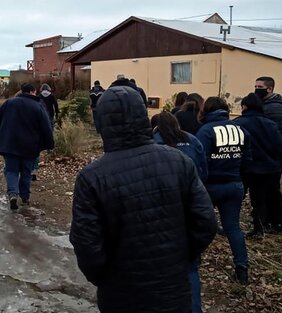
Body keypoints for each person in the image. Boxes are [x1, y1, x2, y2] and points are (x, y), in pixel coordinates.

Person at [70, 80, 217, 313]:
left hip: (121, 295)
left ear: (103, 123)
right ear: (142, 115)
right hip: (174, 289)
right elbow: (206, 222)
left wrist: (106, 278)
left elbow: (87, 246)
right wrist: (180, 259)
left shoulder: (92, 177)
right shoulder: (179, 161)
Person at [152, 111, 208, 313]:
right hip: (191, 207)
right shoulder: (192, 140)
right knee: (191, 267)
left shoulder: (153, 145)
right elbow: (203, 170)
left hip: (164, 210)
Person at [196, 96, 250, 285]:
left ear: (206, 111)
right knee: (233, 228)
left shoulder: (206, 131)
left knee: (199, 224)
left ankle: (194, 261)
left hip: (210, 186)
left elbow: (201, 161)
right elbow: (247, 160)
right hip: (234, 185)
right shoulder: (241, 130)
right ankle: (242, 269)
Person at [0, 83, 54, 210]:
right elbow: (46, 127)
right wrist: (49, 144)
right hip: (30, 145)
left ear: (21, 91)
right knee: (26, 172)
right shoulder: (38, 106)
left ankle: (13, 194)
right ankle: (25, 197)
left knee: (11, 170)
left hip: (10, 144)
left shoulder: (9, 103)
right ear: (33, 91)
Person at [234, 93, 282, 237]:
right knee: (263, 198)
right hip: (269, 168)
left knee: (238, 197)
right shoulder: (270, 124)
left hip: (246, 168)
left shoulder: (238, 124)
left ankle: (232, 225)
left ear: (244, 107)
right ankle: (264, 225)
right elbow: (280, 146)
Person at [254, 76, 282, 233]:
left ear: (269, 89)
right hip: (266, 152)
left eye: (259, 86)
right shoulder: (266, 105)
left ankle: (276, 222)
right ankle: (265, 219)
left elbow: (272, 133)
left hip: (272, 153)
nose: (256, 89)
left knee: (272, 188)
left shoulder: (274, 108)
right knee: (264, 188)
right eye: (255, 85)